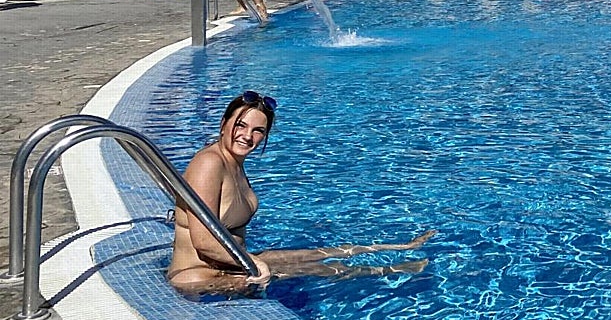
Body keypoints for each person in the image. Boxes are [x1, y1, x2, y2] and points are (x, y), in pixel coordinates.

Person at [168, 92, 434, 295]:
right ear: (224, 124)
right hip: (197, 276)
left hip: (233, 263)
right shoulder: (209, 163)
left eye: (258, 130)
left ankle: (401, 248)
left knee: (317, 253)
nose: (247, 136)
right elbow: (203, 241)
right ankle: (394, 269)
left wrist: (254, 260)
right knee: (316, 269)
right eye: (241, 125)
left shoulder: (233, 164)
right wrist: (254, 263)